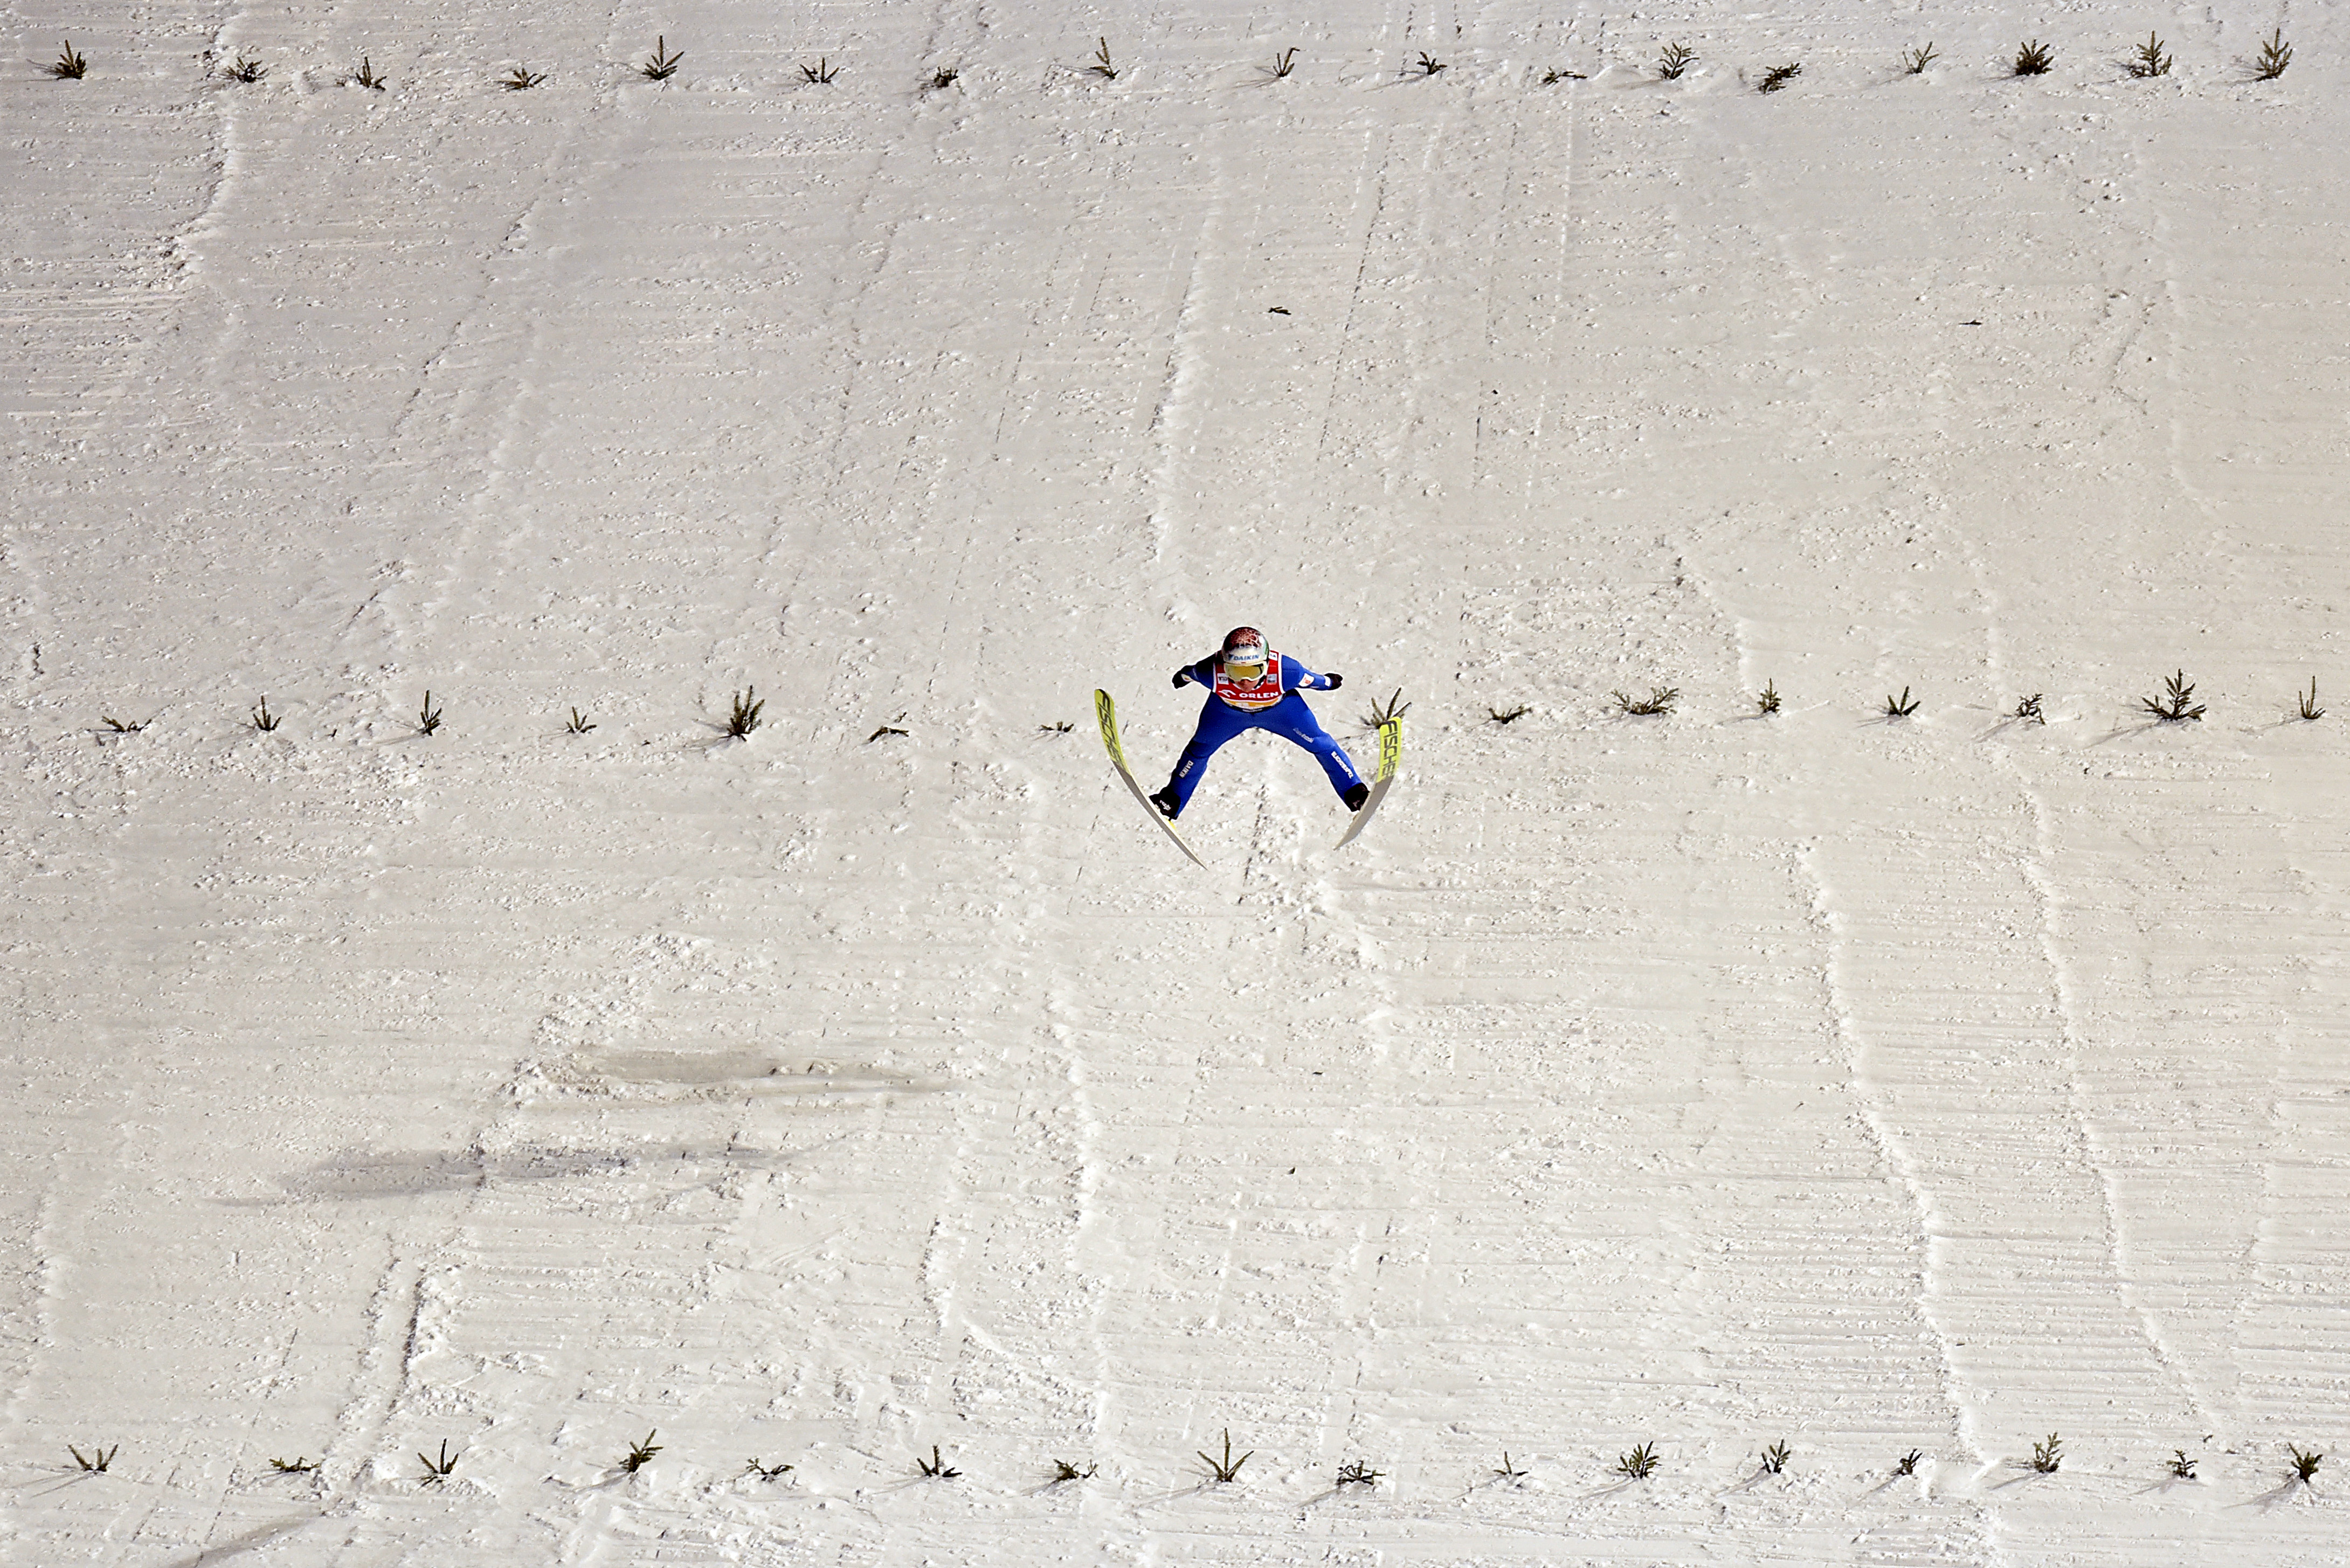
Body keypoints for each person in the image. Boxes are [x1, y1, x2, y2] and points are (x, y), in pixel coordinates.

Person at [1149, 627, 1369, 820]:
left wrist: (1330, 683)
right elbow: (1191, 673)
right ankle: (1172, 800)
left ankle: (1354, 792)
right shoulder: (1211, 671)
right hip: (1227, 713)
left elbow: (1314, 681)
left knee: (1321, 744)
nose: (1244, 681)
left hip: (1280, 712)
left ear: (1265, 665)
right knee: (1197, 751)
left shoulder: (1286, 671)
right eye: (1234, 672)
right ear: (1225, 666)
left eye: (1252, 671)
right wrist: (1182, 677)